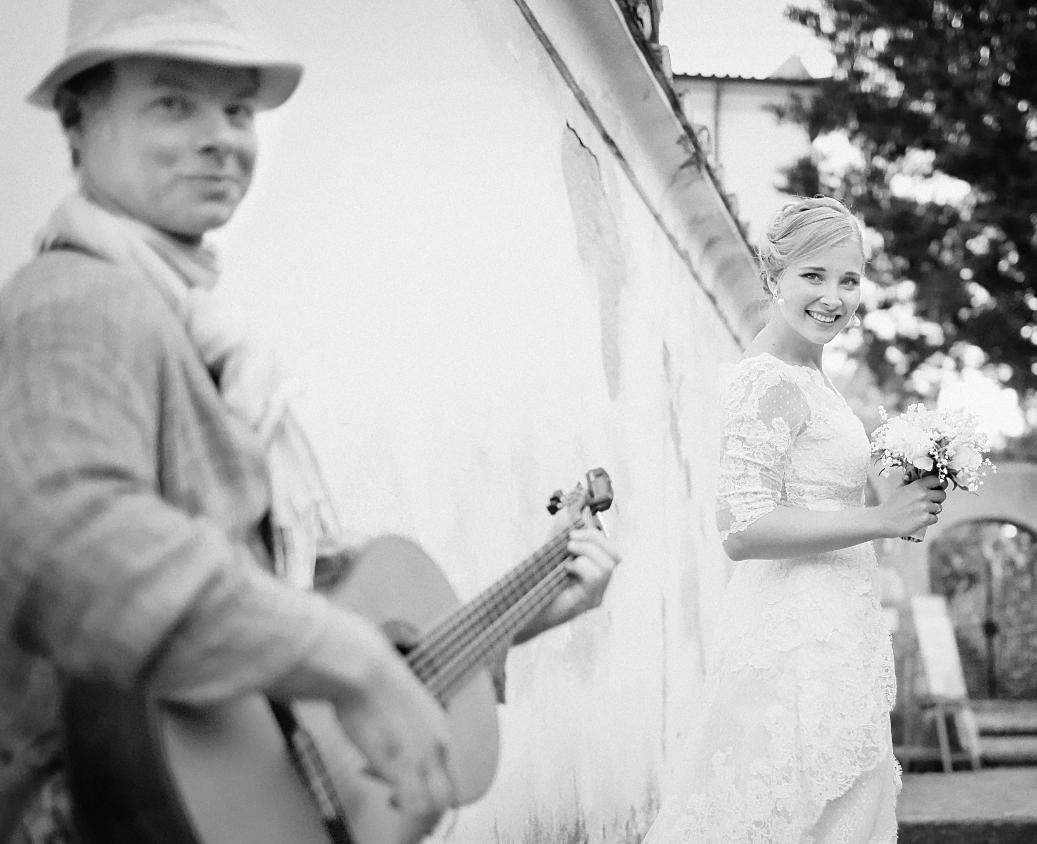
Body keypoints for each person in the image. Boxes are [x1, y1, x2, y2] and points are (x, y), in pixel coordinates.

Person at [0, 1, 620, 840]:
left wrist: (517, 619)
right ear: (79, 122)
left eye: (238, 108)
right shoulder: (81, 300)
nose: (221, 136)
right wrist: (354, 667)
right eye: (173, 103)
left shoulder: (201, 331)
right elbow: (67, 541)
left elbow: (290, 610)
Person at [643, 196, 947, 842]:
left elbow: (825, 498)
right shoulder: (767, 380)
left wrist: (905, 493)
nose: (832, 297)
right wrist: (879, 521)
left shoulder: (813, 376)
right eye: (813, 276)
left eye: (848, 279)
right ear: (770, 278)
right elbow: (742, 527)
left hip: (842, 631)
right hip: (792, 641)